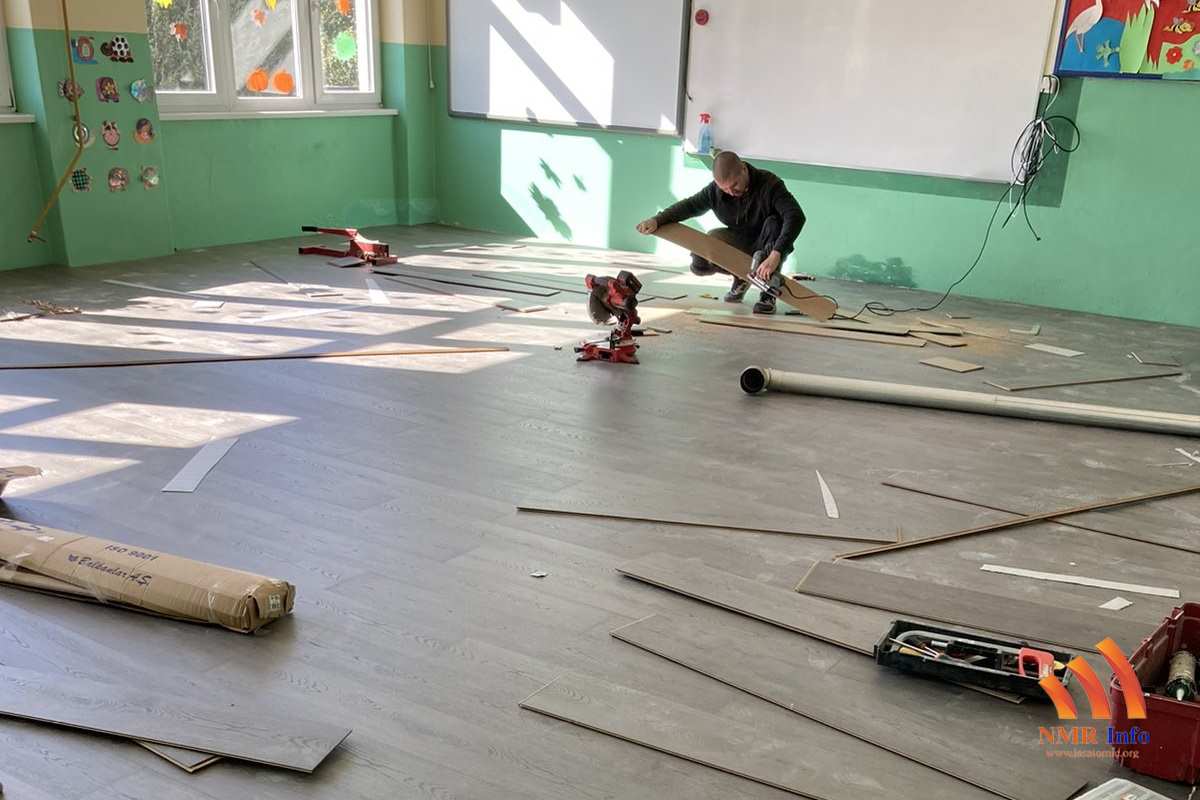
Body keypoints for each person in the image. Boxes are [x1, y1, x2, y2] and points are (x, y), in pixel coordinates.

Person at [636, 151, 806, 314]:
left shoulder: (769, 184)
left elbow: (796, 216)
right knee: (699, 262)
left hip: (768, 243)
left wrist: (776, 253)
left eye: (735, 185)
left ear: (744, 169)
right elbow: (690, 206)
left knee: (774, 223)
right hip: (740, 239)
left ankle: (768, 293)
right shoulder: (715, 191)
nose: (731, 192)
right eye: (725, 189)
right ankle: (741, 276)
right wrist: (657, 220)